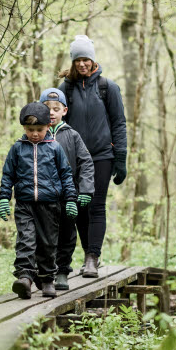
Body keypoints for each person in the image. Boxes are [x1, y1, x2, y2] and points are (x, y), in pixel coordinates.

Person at [58, 35, 127, 278]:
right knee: (77, 206)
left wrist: (121, 157)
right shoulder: (65, 89)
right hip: (73, 159)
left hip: (101, 157)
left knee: (96, 205)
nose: (82, 64)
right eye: (78, 60)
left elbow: (119, 123)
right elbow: (56, 122)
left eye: (86, 59)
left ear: (93, 60)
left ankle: (92, 258)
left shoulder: (108, 87)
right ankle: (89, 253)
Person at [0, 103, 78, 299]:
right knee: (25, 240)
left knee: (48, 243)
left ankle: (47, 278)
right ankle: (25, 277)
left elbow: (66, 175)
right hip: (25, 204)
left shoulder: (55, 148)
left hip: (50, 204)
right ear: (24, 128)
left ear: (48, 127)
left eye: (39, 130)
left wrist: (70, 199)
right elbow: (8, 175)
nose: (35, 134)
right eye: (30, 130)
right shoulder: (17, 149)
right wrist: (4, 198)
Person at [38, 88, 94, 290]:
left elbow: (86, 163)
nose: (51, 112)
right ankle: (45, 272)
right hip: (42, 197)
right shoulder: (35, 134)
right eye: (47, 108)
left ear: (65, 111)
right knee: (44, 236)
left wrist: (86, 189)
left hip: (68, 196)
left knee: (67, 234)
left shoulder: (72, 135)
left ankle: (62, 271)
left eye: (56, 108)